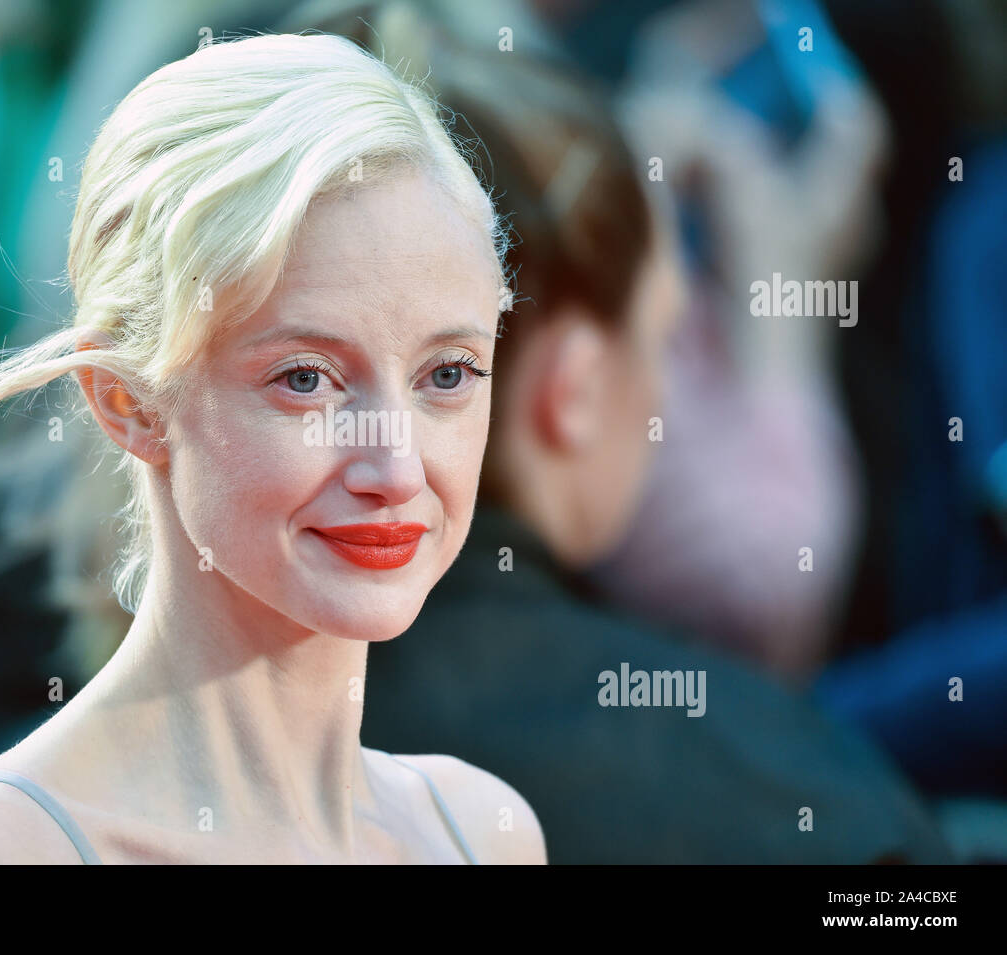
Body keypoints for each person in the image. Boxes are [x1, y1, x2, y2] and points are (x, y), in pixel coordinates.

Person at [0, 31, 546, 864]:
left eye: (447, 374)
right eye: (306, 379)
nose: (397, 468)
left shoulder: (483, 830)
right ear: (129, 403)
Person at [310, 8, 953, 863]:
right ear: (569, 392)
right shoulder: (811, 800)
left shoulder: (139, 736)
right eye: (662, 332)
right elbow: (759, 584)